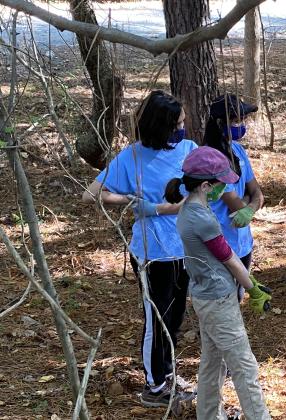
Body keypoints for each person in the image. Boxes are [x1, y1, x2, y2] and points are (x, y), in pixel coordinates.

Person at [82, 90, 196, 406]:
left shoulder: (188, 149)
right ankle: (154, 386)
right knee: (157, 317)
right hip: (152, 251)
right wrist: (138, 202)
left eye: (183, 123)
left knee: (176, 315)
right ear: (159, 126)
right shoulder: (132, 157)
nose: (182, 129)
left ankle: (167, 373)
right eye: (176, 125)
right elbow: (91, 194)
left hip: (185, 246)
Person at [165, 146, 272, 420]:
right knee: (244, 366)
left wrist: (248, 281)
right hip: (217, 300)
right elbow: (229, 258)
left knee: (213, 362)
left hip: (207, 296)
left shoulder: (191, 208)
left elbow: (223, 255)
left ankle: (209, 415)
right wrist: (253, 289)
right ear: (205, 186)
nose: (225, 187)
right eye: (221, 183)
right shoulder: (201, 218)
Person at [203, 94, 264, 301]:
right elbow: (235, 205)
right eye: (236, 121)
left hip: (243, 243)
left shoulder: (238, 150)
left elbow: (257, 192)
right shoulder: (210, 158)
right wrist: (247, 203)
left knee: (237, 300)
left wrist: (249, 207)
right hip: (219, 244)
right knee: (222, 303)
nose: (241, 125)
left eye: (243, 120)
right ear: (220, 123)